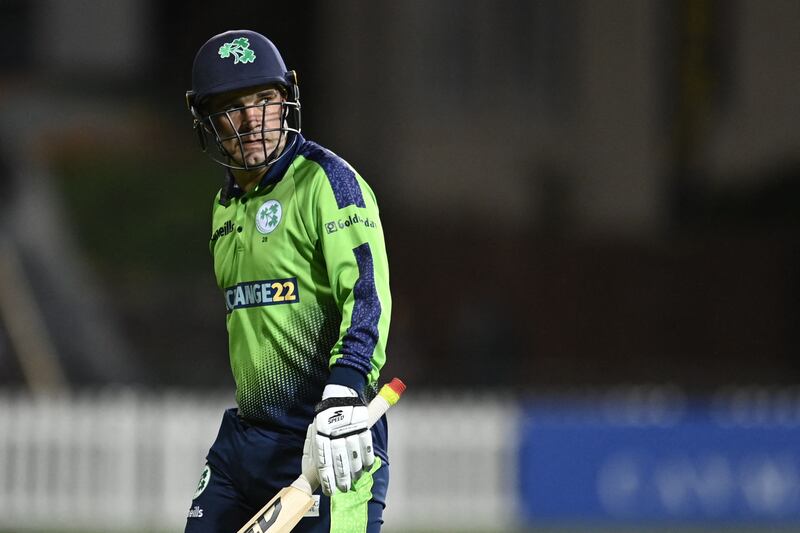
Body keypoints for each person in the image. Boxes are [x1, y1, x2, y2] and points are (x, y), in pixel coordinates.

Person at [183, 30, 392, 533]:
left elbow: (367, 295)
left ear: (286, 101)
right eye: (233, 107)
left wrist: (344, 390)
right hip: (244, 443)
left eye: (266, 100)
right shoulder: (223, 207)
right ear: (206, 119)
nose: (253, 120)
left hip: (325, 438)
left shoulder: (327, 182)